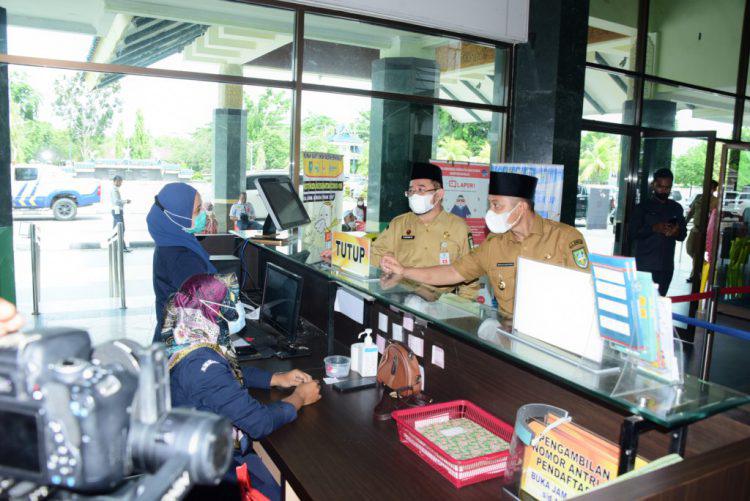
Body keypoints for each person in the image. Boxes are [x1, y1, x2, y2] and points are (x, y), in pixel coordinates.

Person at [162, 274, 321, 501]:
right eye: (229, 303)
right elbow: (260, 423)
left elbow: (225, 375)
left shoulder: (186, 337)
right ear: (211, 310)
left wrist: (274, 378)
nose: (236, 308)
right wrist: (299, 398)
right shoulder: (203, 366)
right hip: (210, 468)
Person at [380, 172, 590, 318]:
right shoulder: (494, 245)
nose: (491, 211)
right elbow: (452, 272)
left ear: (522, 208)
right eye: (490, 204)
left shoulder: (565, 238)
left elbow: (584, 297)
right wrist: (404, 271)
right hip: (510, 337)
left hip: (553, 339)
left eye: (497, 205)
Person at [370, 162, 478, 299]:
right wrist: (385, 261)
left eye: (421, 190)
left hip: (441, 306)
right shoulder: (399, 224)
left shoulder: (458, 227)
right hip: (402, 300)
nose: (414, 195)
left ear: (438, 194)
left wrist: (463, 312)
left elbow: (470, 276)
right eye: (411, 191)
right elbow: (374, 255)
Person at [148, 182, 217, 342]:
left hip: (168, 337)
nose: (203, 215)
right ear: (178, 216)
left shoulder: (168, 242)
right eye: (197, 210)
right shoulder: (183, 258)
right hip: (183, 347)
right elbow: (201, 315)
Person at [629, 168, 687, 296]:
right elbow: (632, 233)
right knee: (643, 305)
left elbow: (683, 235)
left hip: (666, 267)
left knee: (659, 303)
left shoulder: (676, 208)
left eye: (667, 187)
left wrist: (675, 232)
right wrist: (654, 228)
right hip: (645, 266)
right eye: (660, 186)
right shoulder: (642, 208)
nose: (664, 190)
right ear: (653, 185)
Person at [685, 180, 719, 283]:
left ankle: (694, 275)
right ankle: (703, 266)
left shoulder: (715, 200)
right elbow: (691, 212)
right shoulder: (698, 197)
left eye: (710, 187)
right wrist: (684, 222)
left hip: (705, 231)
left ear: (714, 189)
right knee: (690, 249)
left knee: (697, 253)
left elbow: (715, 217)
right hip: (695, 228)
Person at [110, 175, 132, 252]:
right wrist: (126, 201)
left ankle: (115, 246)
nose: (120, 183)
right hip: (117, 211)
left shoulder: (115, 189)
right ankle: (121, 247)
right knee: (121, 229)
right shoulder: (114, 190)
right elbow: (116, 201)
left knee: (116, 229)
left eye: (121, 181)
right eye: (118, 181)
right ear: (114, 181)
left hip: (116, 211)